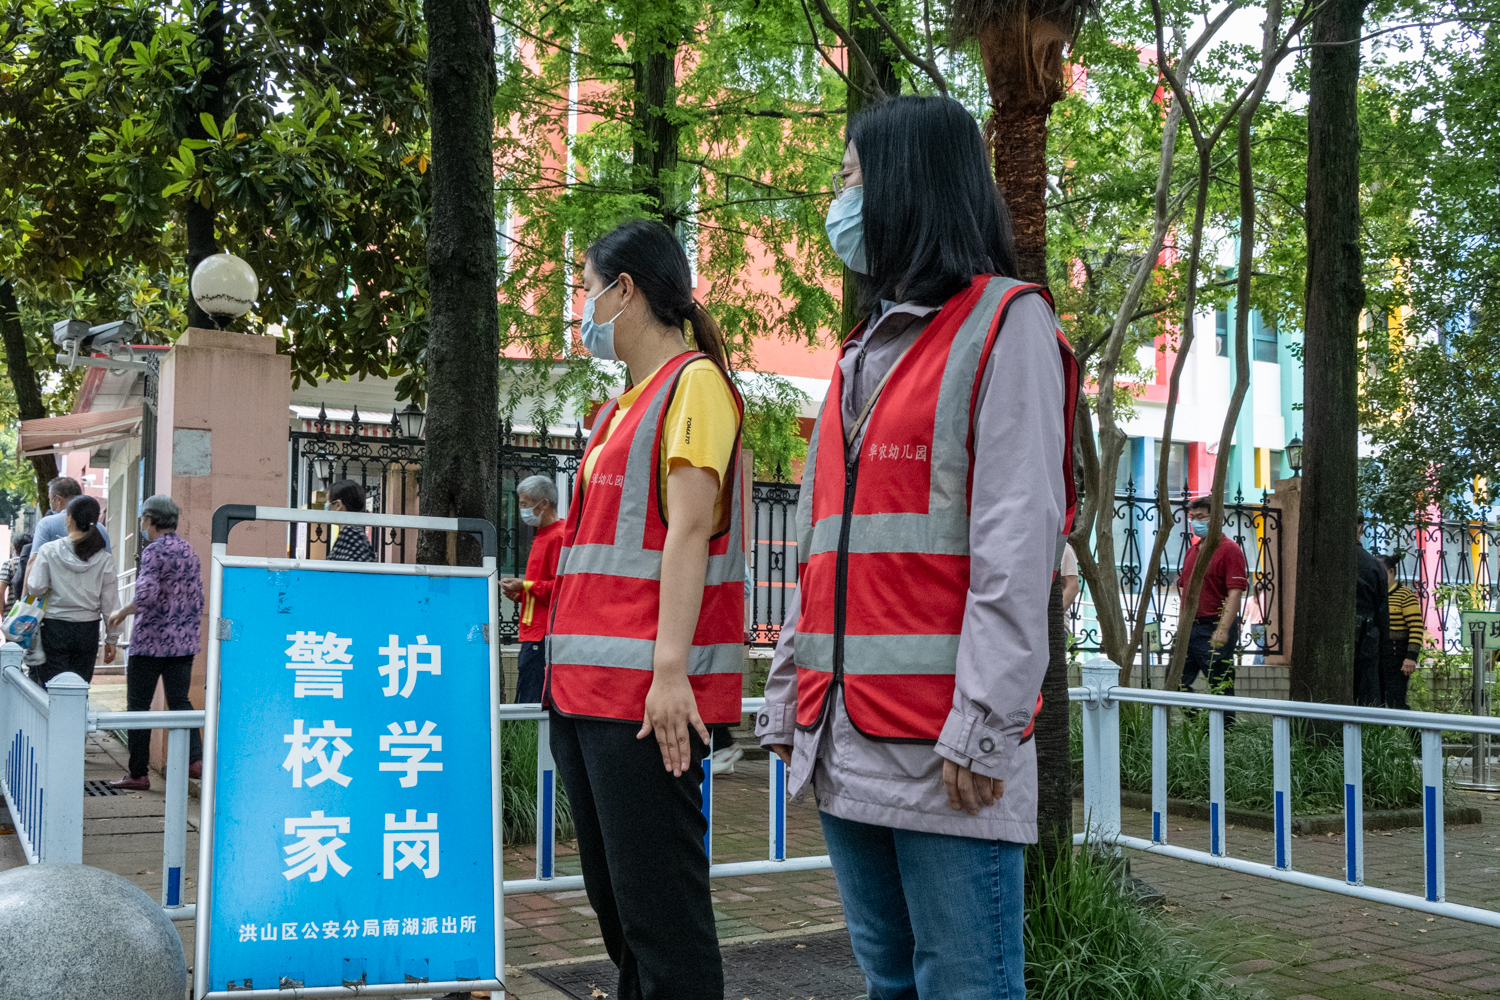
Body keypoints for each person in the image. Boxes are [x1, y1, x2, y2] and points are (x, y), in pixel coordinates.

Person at [756, 96, 1078, 1000]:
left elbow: (1016, 545)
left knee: (964, 988)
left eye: (850, 176)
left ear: (904, 185)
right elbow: (827, 555)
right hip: (845, 737)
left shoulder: (1004, 325)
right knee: (890, 983)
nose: (838, 199)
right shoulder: (864, 352)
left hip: (947, 752)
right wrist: (791, 697)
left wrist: (982, 727)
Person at [546, 218, 745, 1000]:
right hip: (585, 691)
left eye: (588, 288)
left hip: (644, 697)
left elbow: (689, 530)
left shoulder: (694, 384)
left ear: (624, 290)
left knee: (662, 920)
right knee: (620, 909)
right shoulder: (621, 408)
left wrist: (670, 673)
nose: (584, 307)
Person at [104, 496, 205, 791]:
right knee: (180, 701)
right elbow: (197, 596)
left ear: (149, 519)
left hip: (150, 642)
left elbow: (146, 594)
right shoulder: (189, 550)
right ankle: (194, 760)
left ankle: (138, 773)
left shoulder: (153, 551)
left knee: (138, 706)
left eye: (143, 520)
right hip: (183, 643)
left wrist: (121, 612)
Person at [26, 494, 118, 686]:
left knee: (51, 688)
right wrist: (112, 638)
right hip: (88, 630)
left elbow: (35, 587)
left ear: (69, 518)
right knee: (79, 688)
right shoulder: (103, 558)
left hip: (53, 627)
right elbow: (110, 603)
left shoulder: (49, 551)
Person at [1178, 496, 1248, 724]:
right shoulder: (1193, 551)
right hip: (1190, 629)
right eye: (1193, 518)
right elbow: (1184, 590)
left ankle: (1225, 736)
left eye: (1201, 517)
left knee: (1220, 686)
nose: (1196, 522)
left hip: (1213, 627)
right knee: (1175, 682)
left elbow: (1235, 592)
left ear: (1216, 518)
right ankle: (1201, 727)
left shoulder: (1230, 550)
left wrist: (1223, 628)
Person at [500, 475, 566, 703]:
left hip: (543, 633)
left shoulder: (558, 536)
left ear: (544, 503)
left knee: (530, 700)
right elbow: (543, 587)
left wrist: (525, 586)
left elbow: (562, 589)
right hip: (534, 631)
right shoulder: (544, 535)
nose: (522, 510)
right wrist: (519, 594)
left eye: (525, 504)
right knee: (527, 695)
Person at [23, 477, 110, 592]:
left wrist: (24, 598)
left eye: (50, 500)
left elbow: (33, 562)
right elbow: (107, 571)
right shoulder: (101, 529)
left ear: (58, 499)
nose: (50, 505)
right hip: (90, 600)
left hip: (53, 599)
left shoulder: (46, 524)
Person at [1354, 516, 1391, 706]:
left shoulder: (1323, 562)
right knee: (1365, 699)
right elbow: (1382, 614)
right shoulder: (1374, 566)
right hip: (1366, 640)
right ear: (1360, 529)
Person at [1375, 553, 1419, 710]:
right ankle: (1382, 734)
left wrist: (1410, 657)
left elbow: (1416, 627)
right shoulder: (1376, 595)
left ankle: (1416, 735)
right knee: (1376, 701)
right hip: (1377, 654)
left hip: (1397, 656)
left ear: (1391, 572)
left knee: (1396, 702)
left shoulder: (1405, 595)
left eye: (1381, 572)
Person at [325, 479, 377, 562]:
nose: (326, 507)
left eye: (328, 502)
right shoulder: (353, 533)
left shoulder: (351, 535)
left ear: (338, 505)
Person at [1, 533, 30, 614]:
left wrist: (3, 612)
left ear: (15, 549)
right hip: (30, 613)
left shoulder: (10, 563)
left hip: (11, 612)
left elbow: (1, 591)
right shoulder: (33, 563)